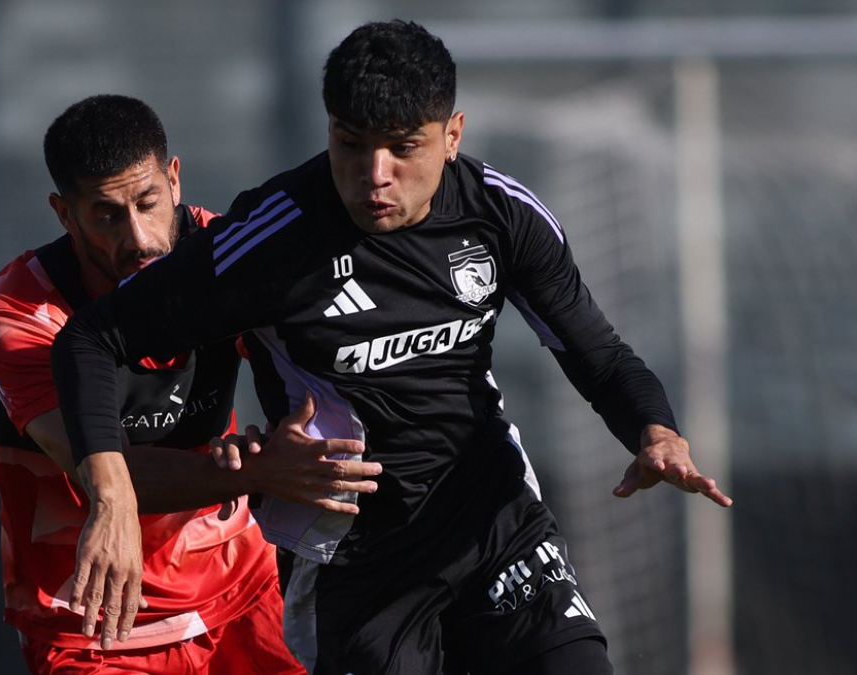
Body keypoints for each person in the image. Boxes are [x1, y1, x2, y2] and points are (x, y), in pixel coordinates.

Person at [52, 22, 733, 675]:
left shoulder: (500, 214)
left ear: (452, 136)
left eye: (403, 147)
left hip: (492, 519)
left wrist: (655, 430)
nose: (374, 173)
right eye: (351, 144)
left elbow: (599, 354)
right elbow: (90, 338)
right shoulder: (271, 237)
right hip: (356, 558)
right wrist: (112, 498)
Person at [0, 94, 379, 674]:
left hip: (246, 596)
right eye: (107, 215)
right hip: (94, 627)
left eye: (147, 202)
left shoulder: (226, 252)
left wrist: (279, 442)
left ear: (174, 180)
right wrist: (258, 473)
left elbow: (325, 367)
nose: (138, 238)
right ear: (64, 214)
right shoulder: (18, 315)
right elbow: (108, 473)